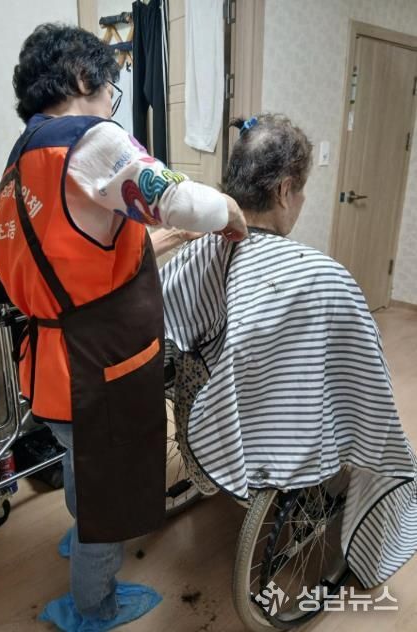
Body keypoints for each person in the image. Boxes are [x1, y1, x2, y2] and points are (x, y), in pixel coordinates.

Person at [0, 23, 247, 632]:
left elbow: (76, 262)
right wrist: (231, 213)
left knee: (81, 467)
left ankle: (79, 533)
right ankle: (93, 605)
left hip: (51, 368)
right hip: (94, 371)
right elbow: (178, 197)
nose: (112, 102)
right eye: (111, 87)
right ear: (84, 78)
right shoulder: (89, 138)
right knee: (106, 503)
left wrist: (161, 242)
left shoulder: (23, 162)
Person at [161, 113, 417, 591]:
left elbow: (171, 332)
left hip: (200, 420)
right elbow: (365, 385)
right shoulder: (321, 279)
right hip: (269, 435)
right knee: (388, 441)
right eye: (300, 192)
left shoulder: (199, 249)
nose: (300, 202)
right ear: (283, 191)